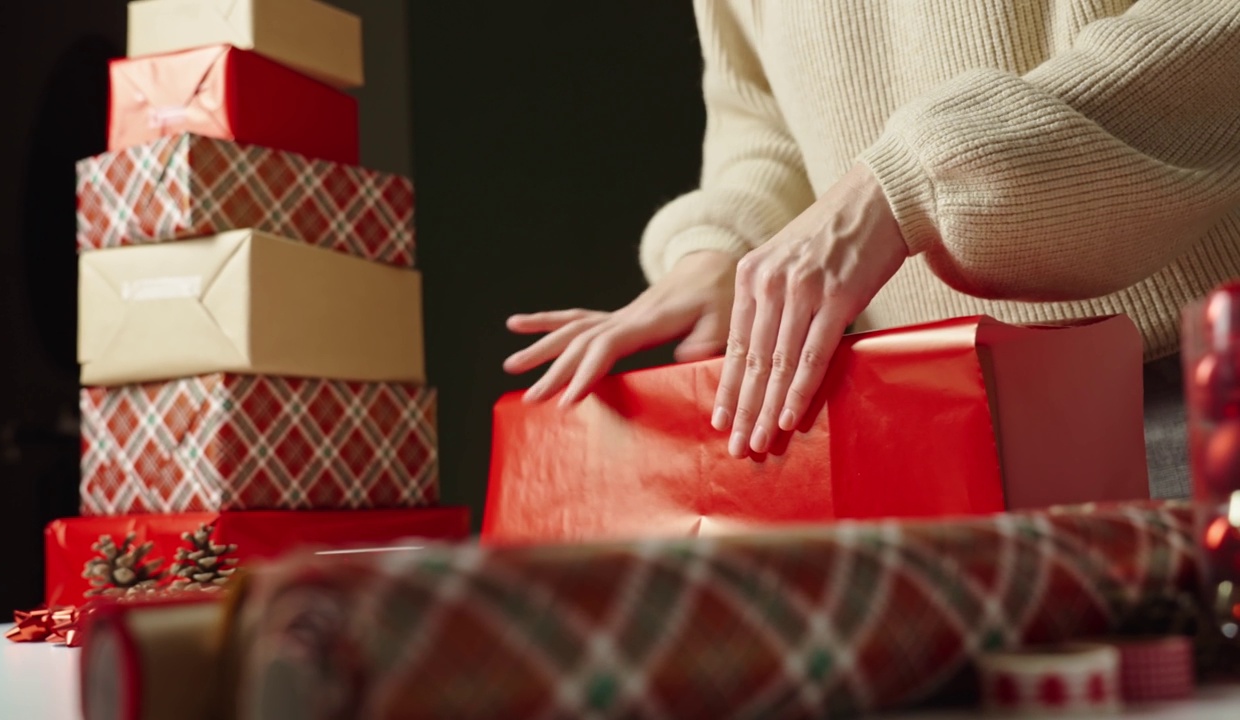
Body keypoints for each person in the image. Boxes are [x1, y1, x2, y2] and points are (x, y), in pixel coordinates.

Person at [502, 0, 1240, 500]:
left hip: (1197, 403)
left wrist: (912, 181)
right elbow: (759, 117)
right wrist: (722, 253)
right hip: (921, 433)